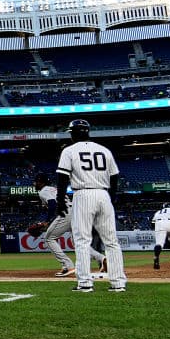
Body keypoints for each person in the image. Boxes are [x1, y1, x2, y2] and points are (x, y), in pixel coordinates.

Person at [55, 119, 126, 293]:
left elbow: (62, 177)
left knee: (81, 240)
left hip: (83, 194)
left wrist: (60, 200)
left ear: (73, 132)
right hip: (103, 194)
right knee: (111, 241)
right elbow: (115, 176)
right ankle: (118, 283)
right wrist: (113, 197)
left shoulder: (69, 150)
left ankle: (85, 283)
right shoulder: (104, 150)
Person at [33, 173, 106, 277]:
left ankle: (68, 266)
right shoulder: (53, 189)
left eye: (35, 182)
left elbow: (52, 204)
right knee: (77, 242)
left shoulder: (43, 191)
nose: (34, 184)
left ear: (41, 182)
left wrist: (47, 221)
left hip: (66, 213)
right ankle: (102, 259)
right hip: (75, 211)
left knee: (49, 238)